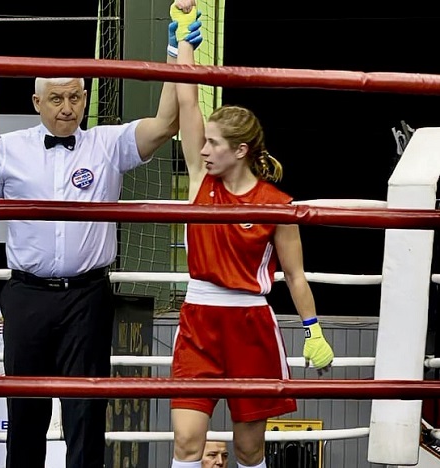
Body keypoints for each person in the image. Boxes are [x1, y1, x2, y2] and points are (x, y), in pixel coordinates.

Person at [0, 6, 203, 466]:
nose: (67, 107)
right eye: (56, 99)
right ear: (37, 103)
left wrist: (176, 56)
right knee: (24, 413)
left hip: (87, 297)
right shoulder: (8, 149)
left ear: (86, 98)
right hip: (27, 295)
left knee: (86, 414)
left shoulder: (107, 144)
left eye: (74, 97)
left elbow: (165, 124)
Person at [168, 2, 335, 468]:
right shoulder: (201, 179)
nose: (203, 149)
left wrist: (313, 329)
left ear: (240, 150)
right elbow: (188, 103)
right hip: (199, 319)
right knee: (186, 442)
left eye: (214, 143)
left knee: (248, 449)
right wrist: (183, 39)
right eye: (204, 141)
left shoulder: (277, 204)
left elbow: (295, 275)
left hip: (250, 324)